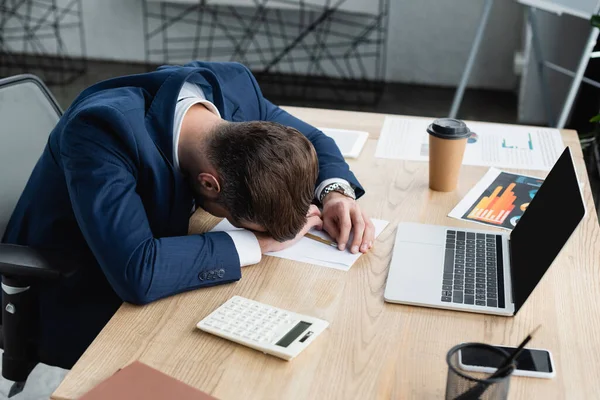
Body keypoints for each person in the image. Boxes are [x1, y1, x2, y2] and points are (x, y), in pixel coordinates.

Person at [2, 61, 373, 368]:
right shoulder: (101, 131)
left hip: (161, 258)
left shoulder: (234, 90)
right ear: (209, 185)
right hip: (82, 290)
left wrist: (334, 193)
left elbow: (316, 141)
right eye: (243, 221)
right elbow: (138, 271)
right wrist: (257, 243)